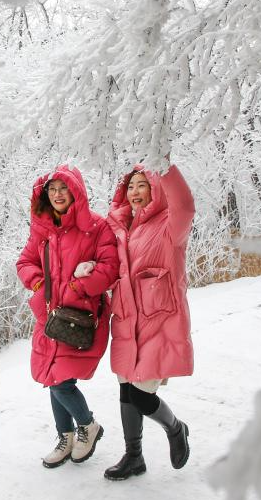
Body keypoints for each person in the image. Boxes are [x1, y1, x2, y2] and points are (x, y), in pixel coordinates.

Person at [16, 165, 119, 468]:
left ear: (76, 191)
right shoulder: (43, 230)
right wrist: (39, 284)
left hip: (80, 316)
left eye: (64, 188)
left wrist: (74, 287)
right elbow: (25, 261)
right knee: (53, 378)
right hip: (49, 317)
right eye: (52, 190)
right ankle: (66, 437)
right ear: (45, 195)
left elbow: (108, 268)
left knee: (61, 382)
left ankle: (88, 425)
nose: (58, 194)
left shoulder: (96, 227)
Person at [103, 163, 195, 480]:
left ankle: (175, 428)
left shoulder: (170, 224)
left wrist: (164, 164)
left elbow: (185, 204)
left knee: (143, 396)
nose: (135, 192)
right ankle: (134, 457)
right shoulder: (118, 228)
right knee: (127, 391)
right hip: (127, 322)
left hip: (158, 322)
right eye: (130, 187)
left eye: (143, 185)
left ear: (155, 188)